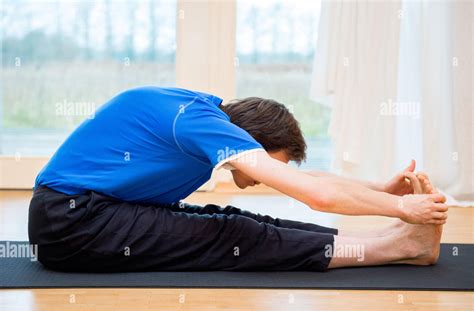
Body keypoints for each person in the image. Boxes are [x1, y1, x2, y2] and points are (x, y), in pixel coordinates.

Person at [28, 86, 448, 272]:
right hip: (72, 222)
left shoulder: (203, 115)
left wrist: (377, 189)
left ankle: (387, 243)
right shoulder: (199, 123)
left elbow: (302, 179)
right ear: (251, 143)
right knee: (233, 234)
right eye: (270, 165)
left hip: (82, 214)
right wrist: (403, 208)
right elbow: (316, 195)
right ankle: (396, 247)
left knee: (230, 218)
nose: (266, 178)